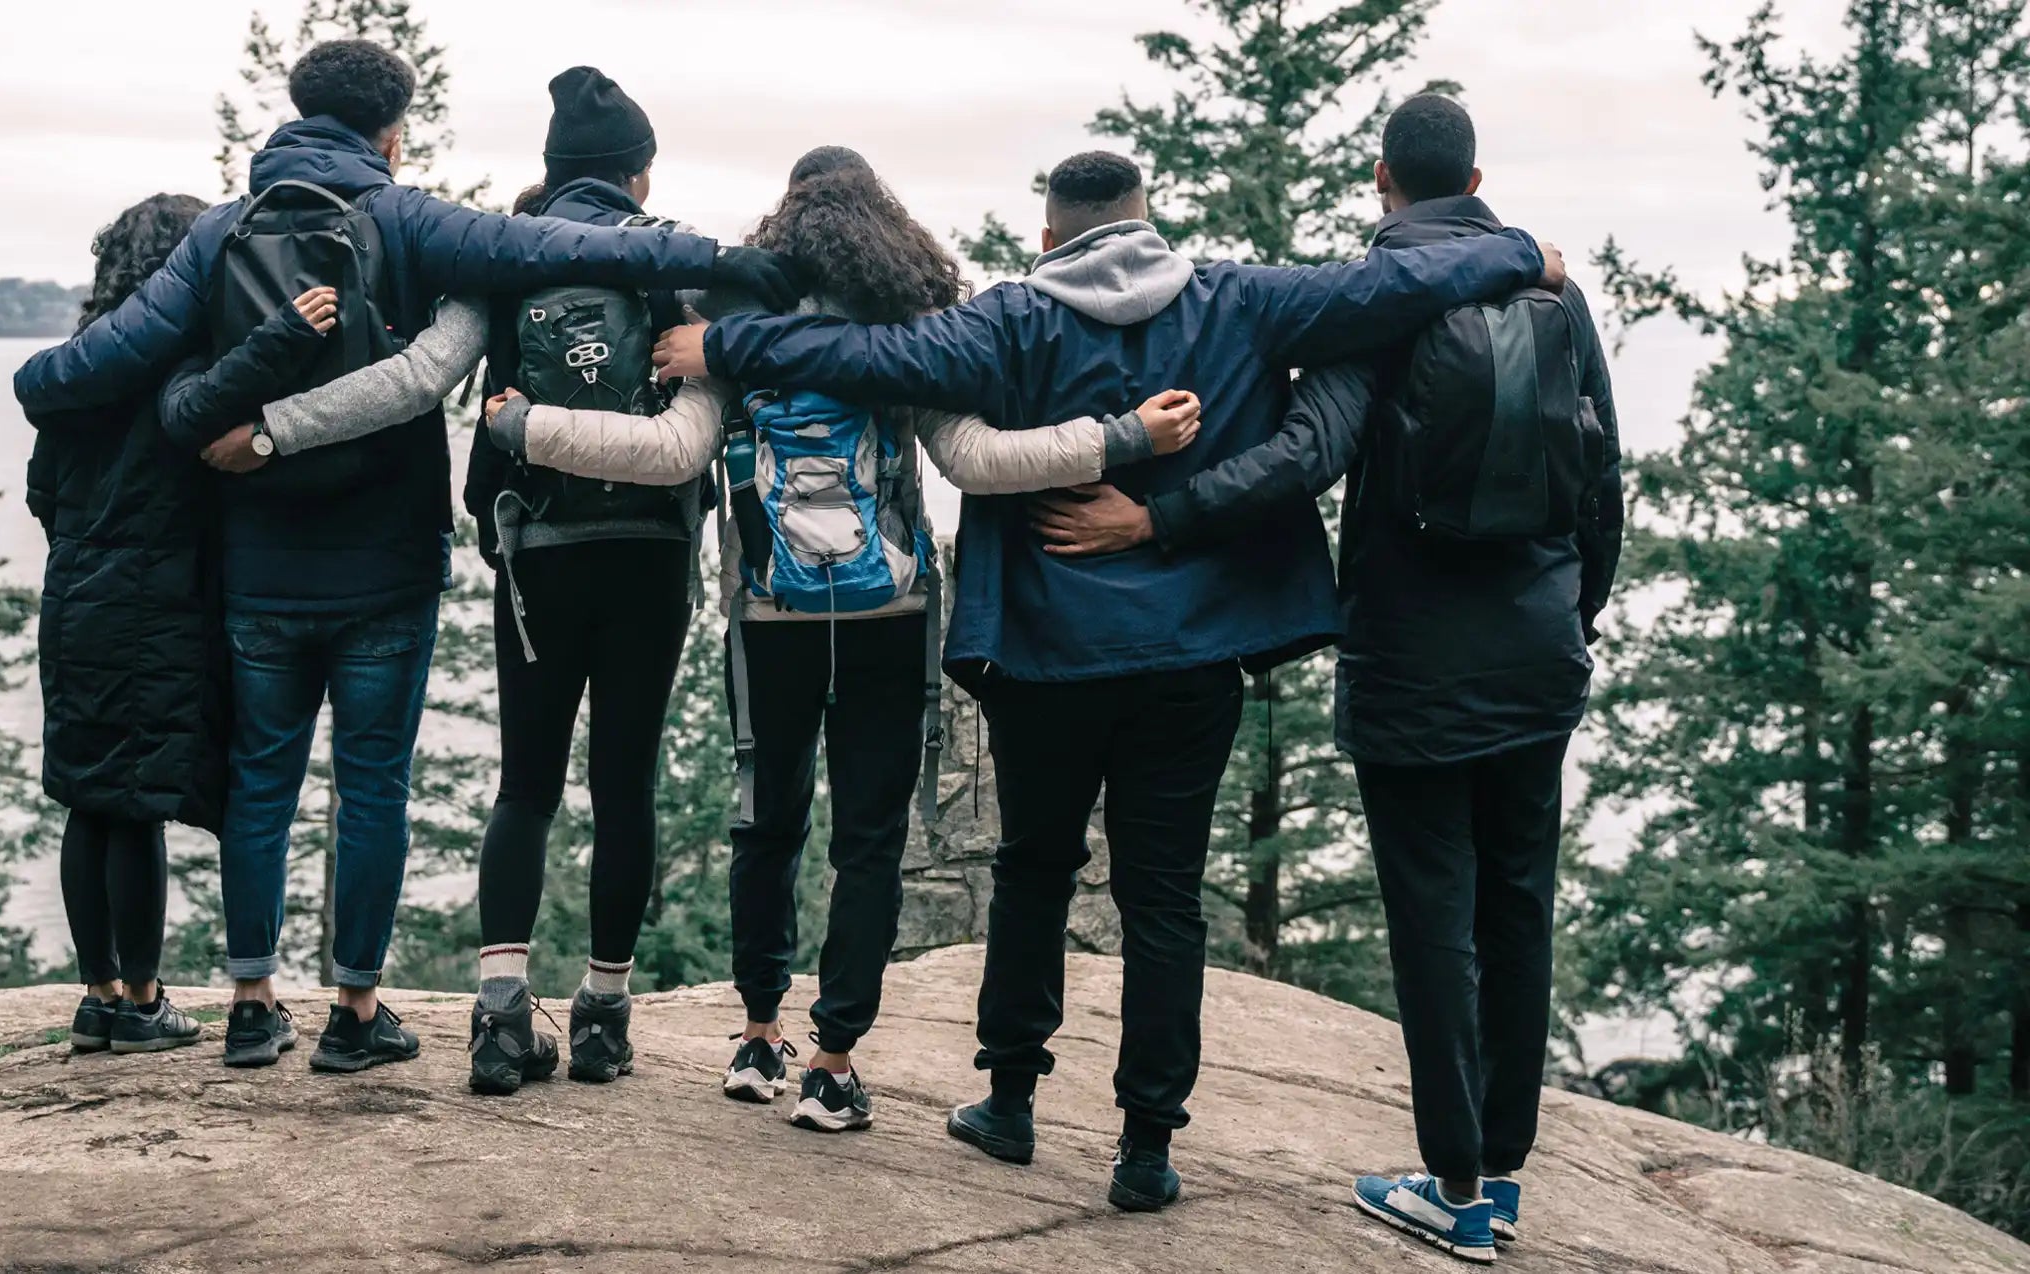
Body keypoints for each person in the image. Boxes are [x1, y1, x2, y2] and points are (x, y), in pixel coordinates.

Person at [657, 150, 1566, 1212]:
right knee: (1165, 899)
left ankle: (1009, 1100)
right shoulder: (1240, 300)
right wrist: (1517, 252)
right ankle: (1145, 1145)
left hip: (1047, 656)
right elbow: (1386, 286)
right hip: (1192, 657)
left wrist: (727, 339)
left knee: (1033, 871)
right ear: (1149, 223)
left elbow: (872, 353)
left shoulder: (1010, 320)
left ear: (1050, 238)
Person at [11, 39, 798, 1075]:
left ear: (299, 113)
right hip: (386, 561)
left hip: (259, 561)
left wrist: (83, 385)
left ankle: (250, 1004)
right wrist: (712, 261)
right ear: (391, 132)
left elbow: (71, 374)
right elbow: (552, 250)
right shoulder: (404, 217)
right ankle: (353, 1012)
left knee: (261, 782)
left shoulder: (217, 233)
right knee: (375, 783)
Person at [472, 144, 1201, 1131]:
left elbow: (668, 450)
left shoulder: (738, 330)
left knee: (766, 828)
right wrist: (1120, 439)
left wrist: (525, 427)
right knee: (866, 843)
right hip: (887, 617)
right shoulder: (908, 332)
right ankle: (834, 1059)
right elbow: (980, 460)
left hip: (771, 616)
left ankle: (760, 1035)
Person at [1042, 96, 1622, 1263]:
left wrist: (1153, 518)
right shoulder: (1555, 294)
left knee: (1434, 920)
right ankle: (1500, 1173)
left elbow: (1301, 457)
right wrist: (1575, 611)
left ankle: (1454, 1183)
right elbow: (1601, 469)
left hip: (1415, 664)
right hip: (1538, 656)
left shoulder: (1385, 306)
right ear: (1476, 174)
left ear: (1380, 180)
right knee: (1519, 907)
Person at [23, 195, 336, 1057]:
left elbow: (43, 493)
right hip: (157, 598)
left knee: (88, 796)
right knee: (136, 801)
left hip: (76, 590)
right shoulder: (184, 364)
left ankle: (96, 997)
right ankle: (143, 999)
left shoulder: (82, 370)